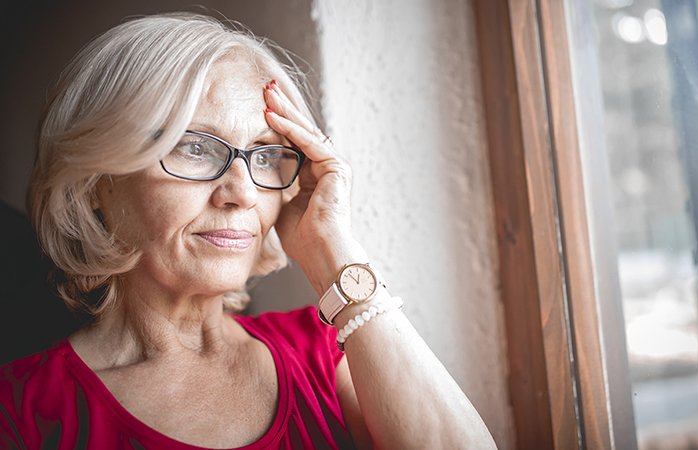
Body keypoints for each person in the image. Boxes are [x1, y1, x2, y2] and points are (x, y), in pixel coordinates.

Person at [0, 13, 497, 450]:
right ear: (96, 184)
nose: (242, 191)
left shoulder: (322, 351)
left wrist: (331, 249)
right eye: (195, 147)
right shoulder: (20, 411)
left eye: (264, 154)